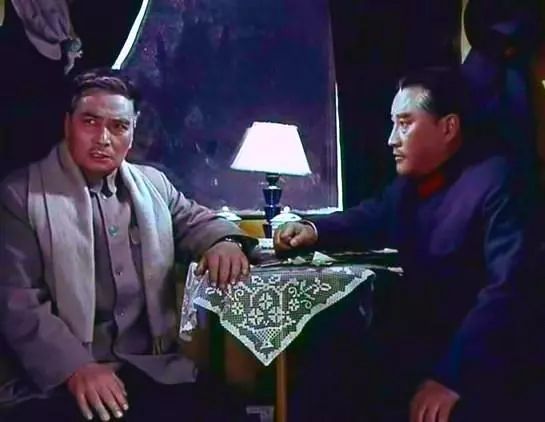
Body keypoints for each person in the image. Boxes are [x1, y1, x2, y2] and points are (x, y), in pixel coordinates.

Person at [274, 67, 541, 421]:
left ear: (448, 127)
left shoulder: (497, 182)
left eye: (404, 124)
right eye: (393, 124)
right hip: (422, 349)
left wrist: (451, 378)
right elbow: (369, 217)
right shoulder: (410, 185)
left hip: (484, 360)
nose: (391, 140)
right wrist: (312, 230)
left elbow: (507, 290)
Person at [0, 68, 256, 421]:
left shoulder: (153, 186)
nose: (103, 138)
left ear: (132, 134)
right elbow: (19, 302)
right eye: (90, 122)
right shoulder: (21, 195)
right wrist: (76, 368)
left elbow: (197, 221)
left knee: (228, 408)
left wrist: (224, 242)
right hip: (55, 377)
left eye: (118, 126)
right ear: (68, 125)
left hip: (147, 367)